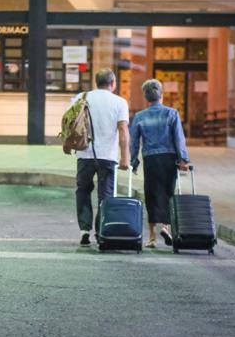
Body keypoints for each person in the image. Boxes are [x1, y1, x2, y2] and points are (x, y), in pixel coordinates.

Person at [73, 67, 130, 246]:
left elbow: (71, 123)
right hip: (108, 156)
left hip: (84, 153)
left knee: (83, 191)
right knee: (105, 195)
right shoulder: (119, 102)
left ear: (96, 83)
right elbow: (123, 130)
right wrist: (125, 157)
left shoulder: (81, 97)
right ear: (113, 84)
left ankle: (84, 229)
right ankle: (101, 232)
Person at [130, 78, 190, 248]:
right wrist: (183, 159)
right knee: (168, 193)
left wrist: (134, 162)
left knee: (152, 194)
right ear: (161, 95)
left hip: (150, 159)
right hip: (169, 159)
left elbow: (134, 142)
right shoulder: (172, 113)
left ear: (146, 97)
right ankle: (166, 228)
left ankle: (152, 238)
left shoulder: (140, 117)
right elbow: (179, 139)